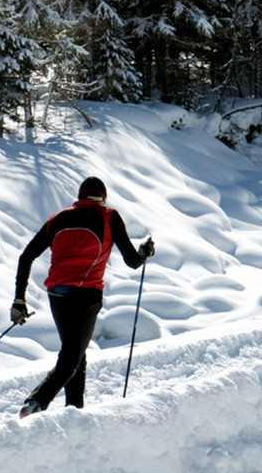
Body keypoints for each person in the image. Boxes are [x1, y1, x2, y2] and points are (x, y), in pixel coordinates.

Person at [10, 176, 154, 417]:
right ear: (103, 197)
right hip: (87, 296)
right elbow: (132, 262)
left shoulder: (57, 220)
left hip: (57, 294)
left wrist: (19, 300)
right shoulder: (109, 216)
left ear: (79, 197)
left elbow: (26, 257)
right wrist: (144, 252)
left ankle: (73, 412)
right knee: (72, 357)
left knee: (76, 353)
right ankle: (35, 403)